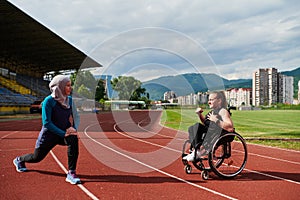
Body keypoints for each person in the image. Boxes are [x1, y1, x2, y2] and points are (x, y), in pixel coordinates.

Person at [13, 75, 81, 184]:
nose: (70, 88)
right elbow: (47, 123)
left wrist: (74, 129)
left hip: (64, 133)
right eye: (68, 86)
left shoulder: (70, 100)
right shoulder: (48, 101)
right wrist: (63, 133)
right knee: (36, 158)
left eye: (70, 85)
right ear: (60, 86)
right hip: (49, 135)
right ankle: (19, 160)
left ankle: (71, 172)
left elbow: (76, 116)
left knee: (73, 139)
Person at [183, 91, 234, 162]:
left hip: (221, 134)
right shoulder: (212, 111)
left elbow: (230, 127)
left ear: (219, 101)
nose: (209, 102)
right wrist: (199, 114)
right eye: (209, 100)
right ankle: (196, 150)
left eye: (211, 100)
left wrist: (216, 120)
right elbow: (205, 123)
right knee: (193, 127)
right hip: (211, 132)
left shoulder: (223, 111)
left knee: (198, 127)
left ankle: (197, 151)